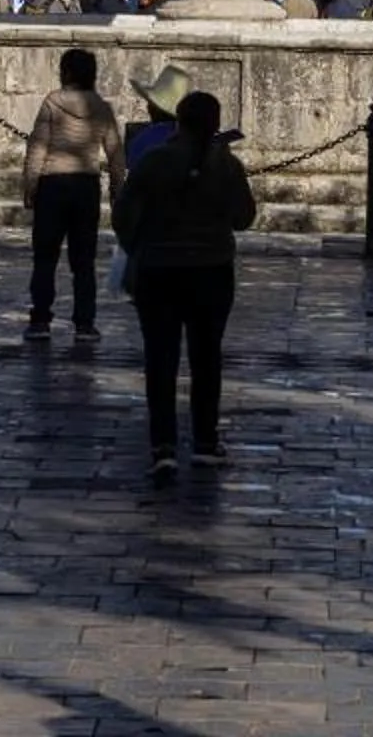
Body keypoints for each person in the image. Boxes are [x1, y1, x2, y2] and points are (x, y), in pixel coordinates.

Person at [115, 90, 254, 481]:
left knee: (160, 359)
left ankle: (163, 446)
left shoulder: (155, 161)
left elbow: (125, 216)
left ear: (178, 121)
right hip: (211, 270)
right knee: (206, 358)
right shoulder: (227, 166)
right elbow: (244, 218)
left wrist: (140, 246)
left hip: (158, 270)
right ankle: (206, 442)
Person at [22, 47, 126, 342]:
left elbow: (38, 146)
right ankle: (85, 322)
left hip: (53, 184)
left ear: (65, 72)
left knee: (45, 256)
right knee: (84, 259)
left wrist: (30, 184)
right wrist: (118, 189)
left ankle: (40, 319)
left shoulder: (52, 103)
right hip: (85, 185)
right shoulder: (102, 107)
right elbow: (115, 153)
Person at [126, 66, 191, 169]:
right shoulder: (194, 141)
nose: (147, 107)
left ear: (153, 109)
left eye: (150, 103)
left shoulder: (144, 140)